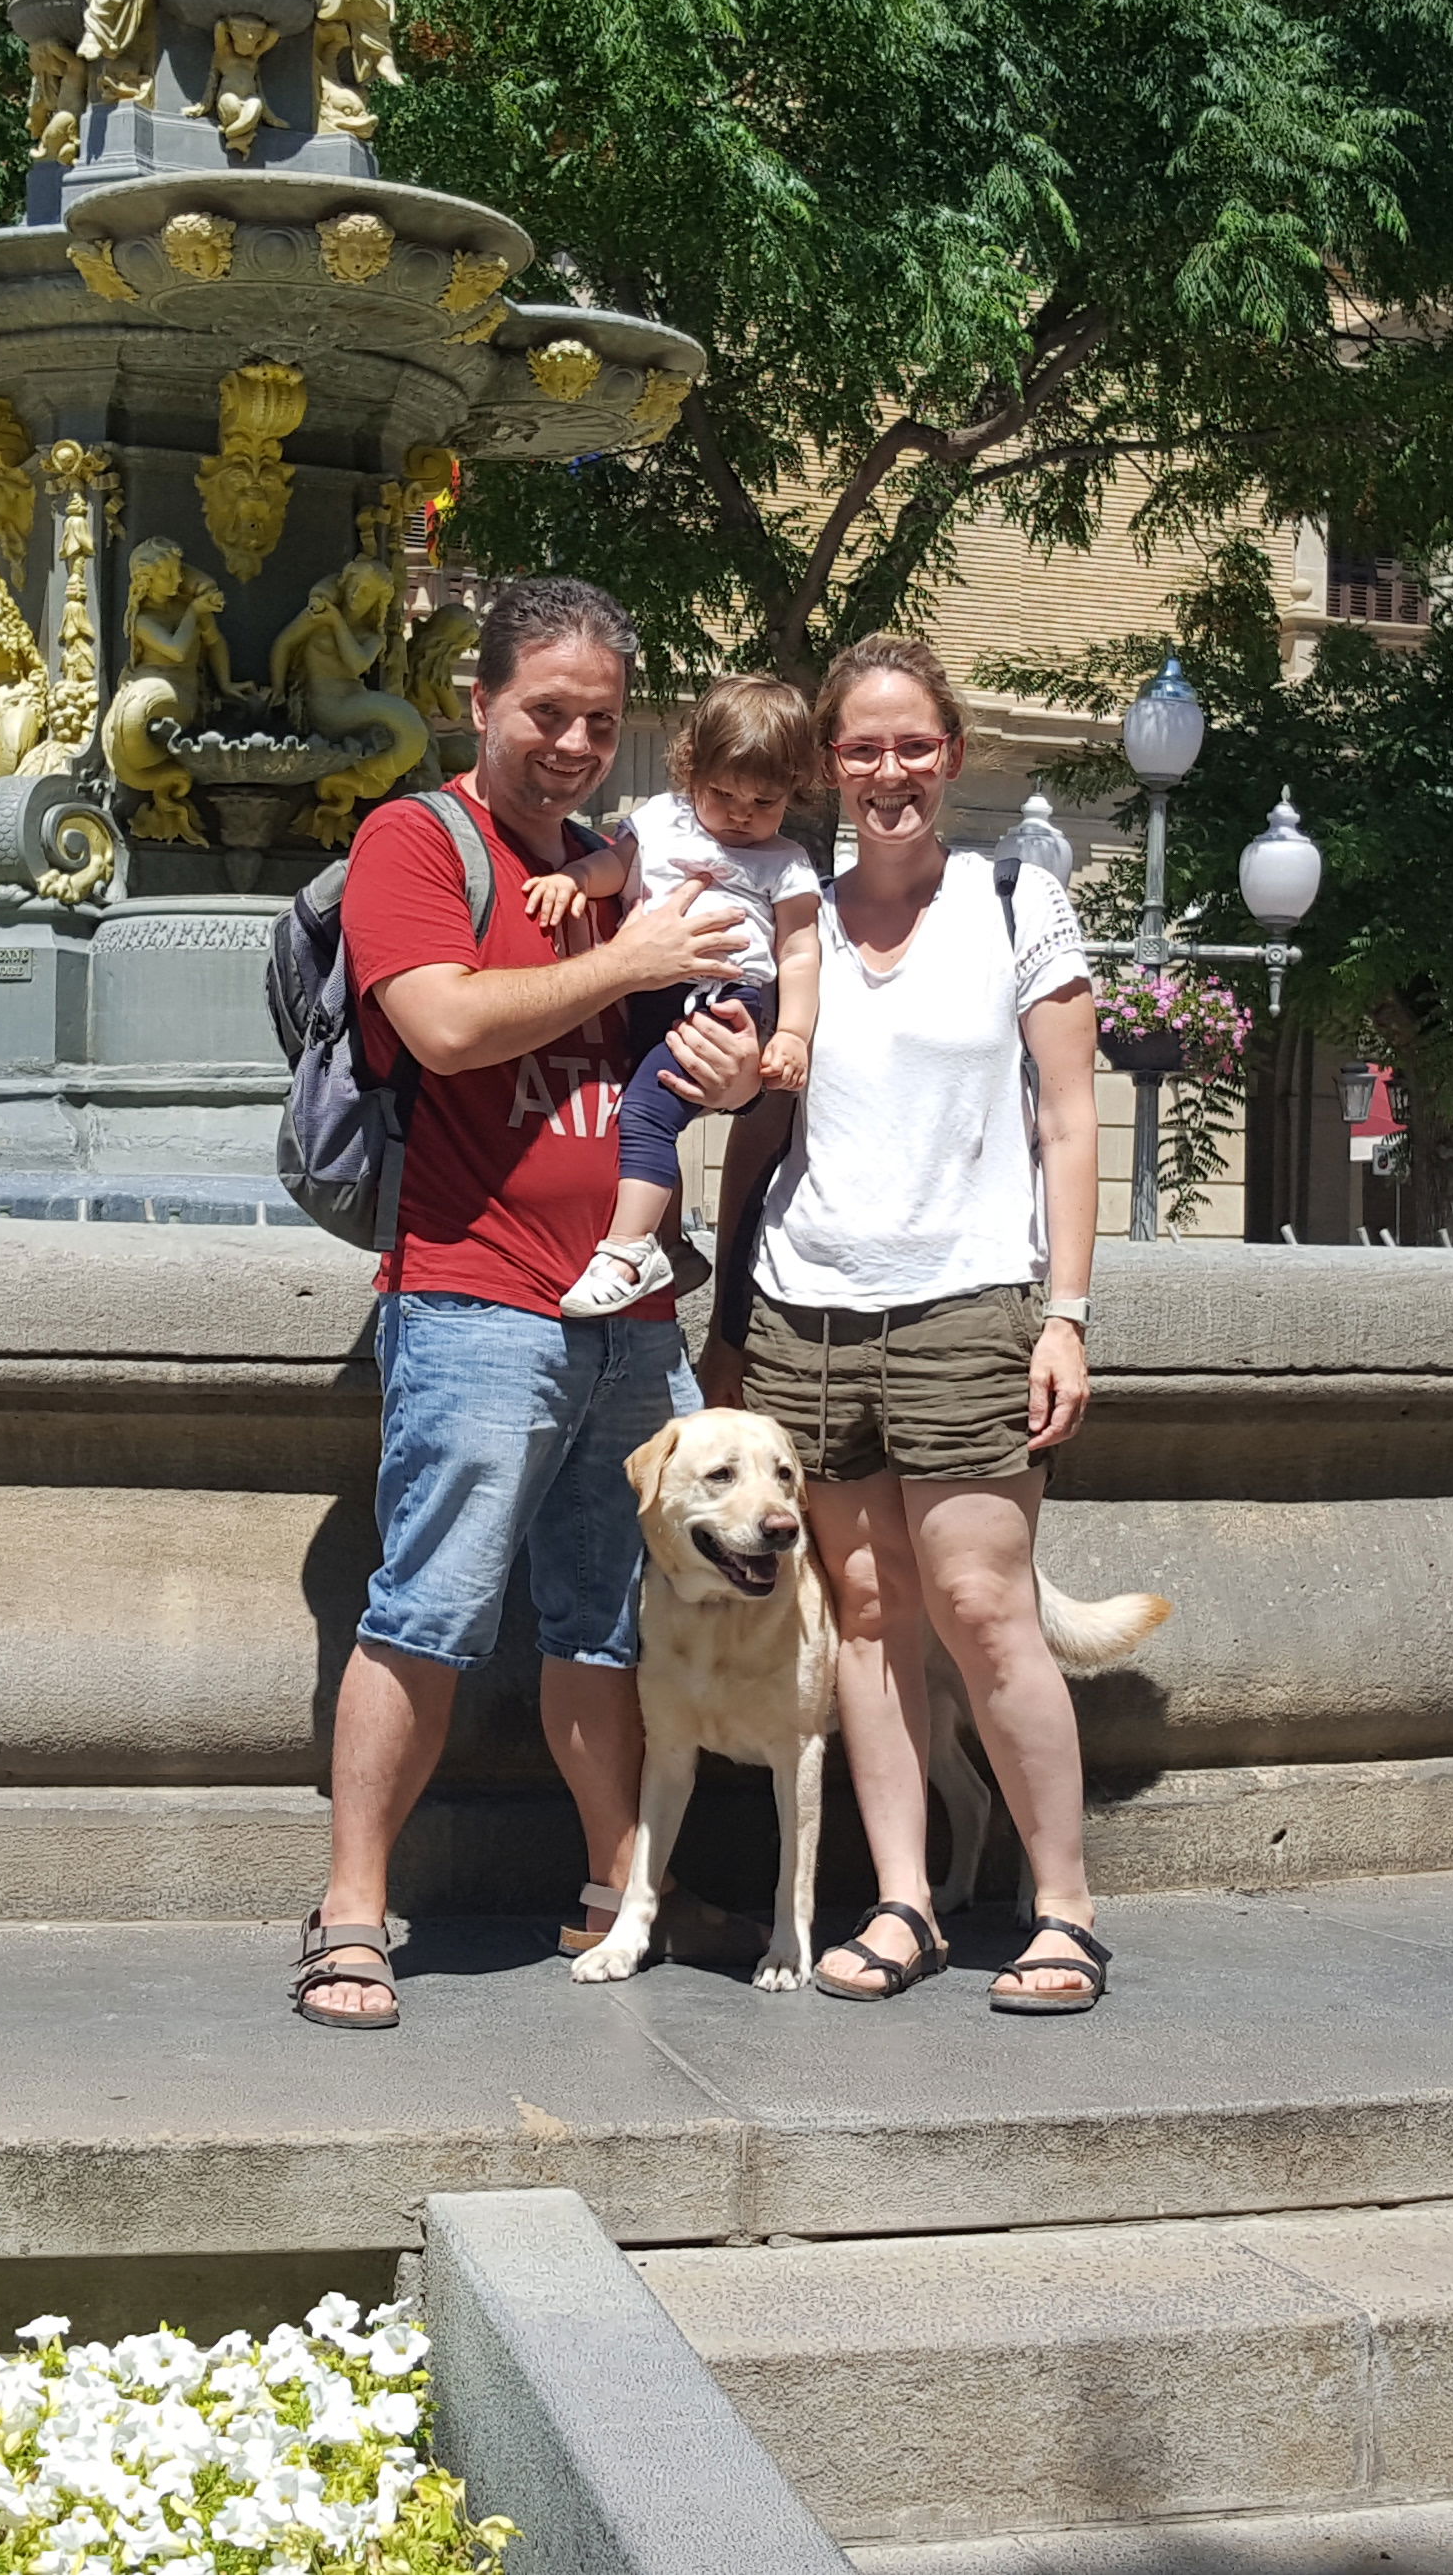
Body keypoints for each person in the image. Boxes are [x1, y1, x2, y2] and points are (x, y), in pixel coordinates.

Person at [295, 578, 764, 2031]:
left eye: (601, 722)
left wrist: (736, 1064)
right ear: (481, 701)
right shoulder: (414, 843)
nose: (572, 743)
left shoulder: (620, 870)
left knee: (609, 1620)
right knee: (426, 1607)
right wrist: (627, 960)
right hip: (476, 1297)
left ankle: (618, 1887)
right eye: (547, 712)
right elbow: (438, 1022)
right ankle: (354, 1912)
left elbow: (665, 1051)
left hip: (630, 1316)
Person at [712, 633, 1116, 2017]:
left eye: (915, 745)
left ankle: (1062, 1906)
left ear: (954, 753)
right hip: (807, 1308)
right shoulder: (796, 917)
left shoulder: (1015, 898)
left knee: (986, 1609)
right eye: (863, 747)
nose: (891, 770)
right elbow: (760, 1124)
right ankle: (904, 1901)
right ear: (830, 764)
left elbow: (1070, 1120)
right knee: (870, 1620)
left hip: (964, 1303)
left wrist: (1063, 1316)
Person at [538, 673, 827, 1319]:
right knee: (633, 1111)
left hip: (720, 999)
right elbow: (618, 867)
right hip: (646, 991)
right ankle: (673, 1240)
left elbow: (801, 953)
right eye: (722, 794)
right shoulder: (662, 819)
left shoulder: (784, 863)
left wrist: (792, 1035)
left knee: (645, 1114)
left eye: (765, 802)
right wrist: (574, 879)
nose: (741, 815)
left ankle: (629, 1249)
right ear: (691, 769)